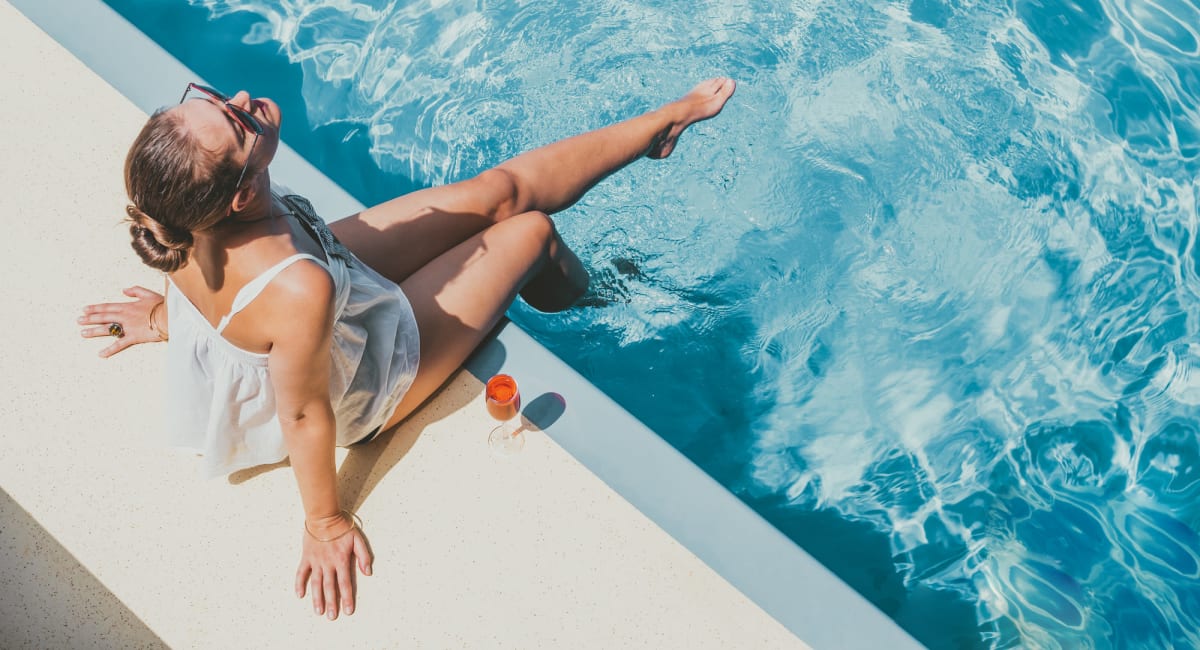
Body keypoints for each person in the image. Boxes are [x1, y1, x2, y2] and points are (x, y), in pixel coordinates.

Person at [78, 77, 735, 620]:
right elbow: (304, 416)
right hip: (370, 374)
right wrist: (325, 523)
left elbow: (212, 297)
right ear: (243, 192)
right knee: (531, 232)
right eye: (236, 120)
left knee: (497, 194)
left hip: (330, 276)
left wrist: (169, 318)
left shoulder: (172, 205)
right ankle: (599, 309)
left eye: (217, 98)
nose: (245, 98)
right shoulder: (295, 288)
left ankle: (661, 125)